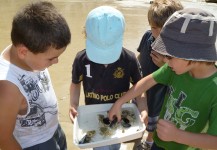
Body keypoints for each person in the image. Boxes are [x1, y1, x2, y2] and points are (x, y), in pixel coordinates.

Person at [109, 8, 217, 150]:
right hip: (159, 143)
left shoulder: (213, 89)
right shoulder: (174, 68)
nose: (165, 60)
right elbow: (146, 82)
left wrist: (177, 135)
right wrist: (119, 103)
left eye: (170, 56)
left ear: (193, 55)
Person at [69, 6, 147, 150]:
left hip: (119, 114)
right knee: (100, 145)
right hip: (93, 115)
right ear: (86, 34)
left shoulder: (129, 60)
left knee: (115, 144)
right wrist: (73, 104)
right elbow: (75, 83)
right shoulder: (81, 59)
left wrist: (143, 109)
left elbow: (139, 87)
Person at [0, 1, 71, 150]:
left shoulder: (29, 52)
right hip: (36, 144)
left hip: (52, 129)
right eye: (51, 58)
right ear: (23, 52)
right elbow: (3, 138)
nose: (57, 61)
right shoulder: (8, 88)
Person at [136, 0, 183, 149]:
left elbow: (181, 76)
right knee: (138, 115)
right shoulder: (147, 36)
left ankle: (149, 140)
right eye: (153, 27)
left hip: (160, 90)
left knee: (154, 118)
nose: (157, 33)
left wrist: (164, 65)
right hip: (143, 87)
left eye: (162, 29)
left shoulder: (176, 49)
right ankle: (138, 139)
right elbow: (139, 57)